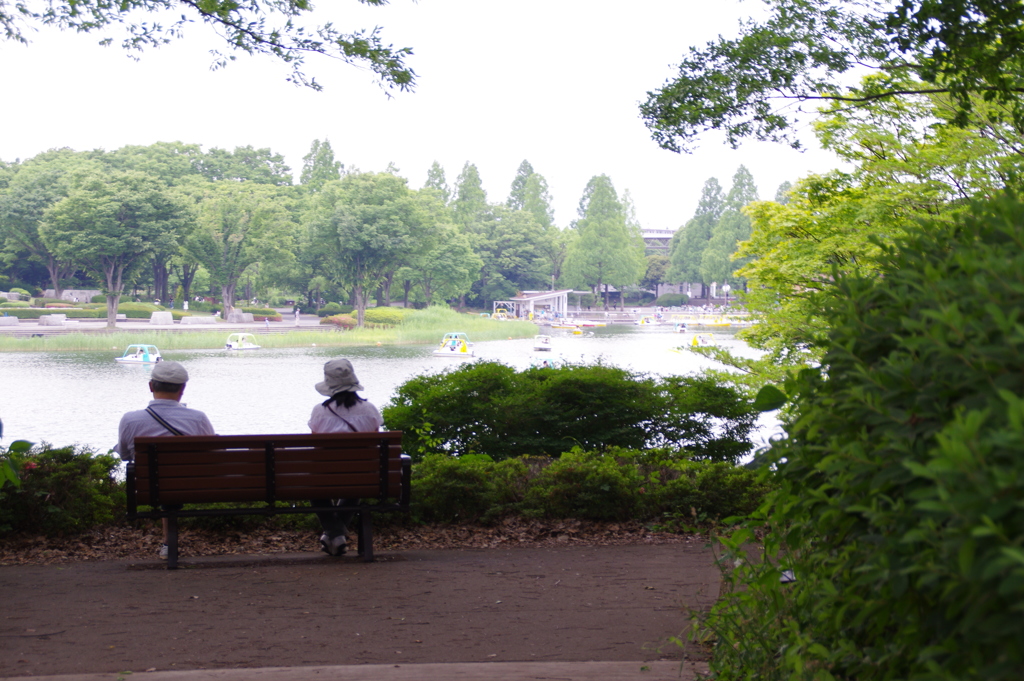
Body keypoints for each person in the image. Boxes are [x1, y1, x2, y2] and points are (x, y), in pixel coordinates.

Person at [115, 361, 215, 559]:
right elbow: (211, 453)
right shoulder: (198, 418)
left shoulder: (130, 420)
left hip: (151, 489)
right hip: (194, 486)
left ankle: (168, 545)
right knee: (173, 482)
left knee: (161, 483)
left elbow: (125, 455)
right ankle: (168, 544)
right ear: (183, 389)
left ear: (151, 386)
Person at [308, 358, 383, 557]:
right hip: (364, 478)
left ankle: (334, 534)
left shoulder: (319, 411)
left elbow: (315, 446)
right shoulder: (370, 410)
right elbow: (375, 442)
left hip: (325, 478)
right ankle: (337, 536)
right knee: (359, 475)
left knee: (313, 486)